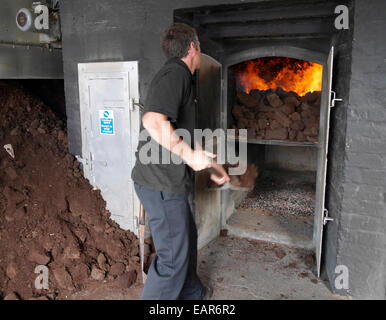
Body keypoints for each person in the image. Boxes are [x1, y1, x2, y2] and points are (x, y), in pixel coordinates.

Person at [131, 23, 229, 300]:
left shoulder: (180, 77)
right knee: (172, 257)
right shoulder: (175, 74)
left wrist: (210, 163)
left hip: (168, 181)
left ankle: (191, 293)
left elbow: (182, 132)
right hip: (161, 184)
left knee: (186, 241)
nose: (200, 53)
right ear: (193, 48)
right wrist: (189, 156)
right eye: (199, 48)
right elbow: (152, 120)